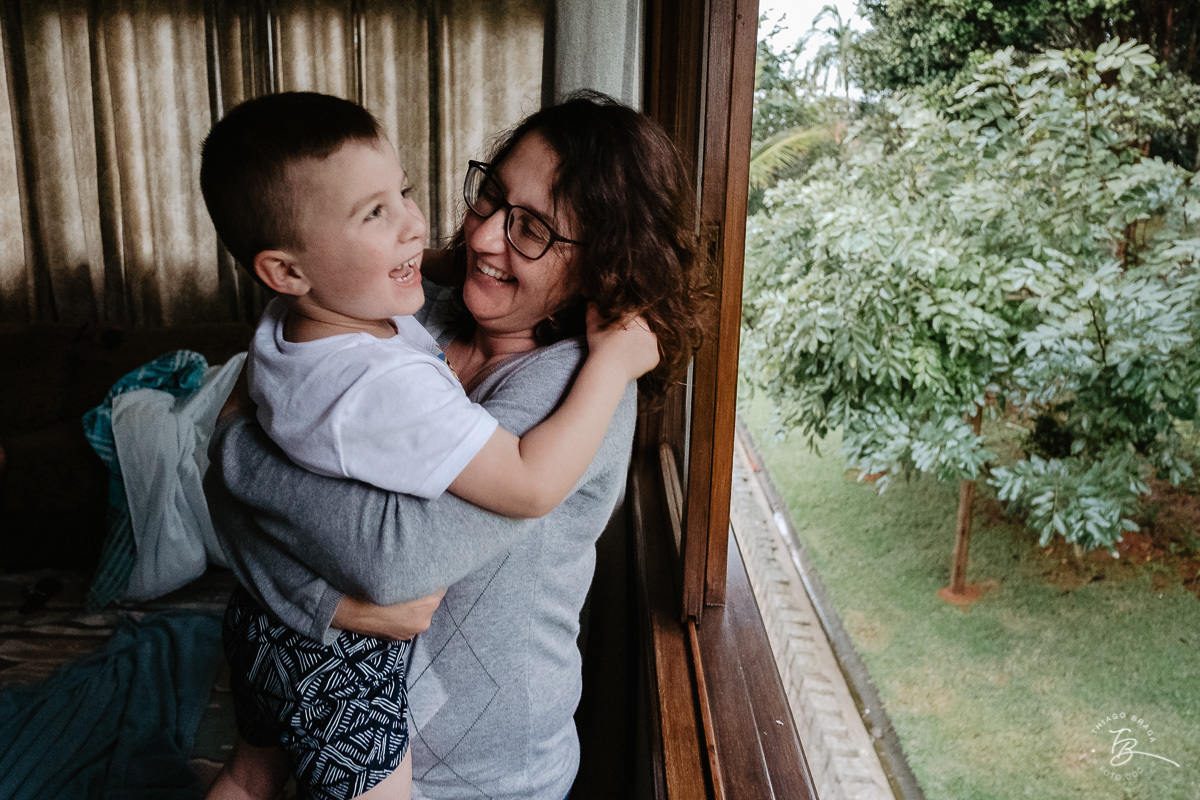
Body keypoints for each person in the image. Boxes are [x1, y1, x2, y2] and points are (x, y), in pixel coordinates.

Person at [205, 91, 708, 800]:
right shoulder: (412, 313)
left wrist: (236, 459)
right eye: (491, 198)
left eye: (531, 229)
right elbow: (225, 462)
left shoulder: (578, 395)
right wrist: (320, 599)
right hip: (333, 735)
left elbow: (393, 564)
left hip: (479, 778)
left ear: (604, 267)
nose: (483, 236)